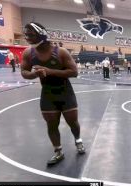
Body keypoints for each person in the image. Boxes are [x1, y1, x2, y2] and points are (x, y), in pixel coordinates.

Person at [20, 22, 85, 165]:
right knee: (51, 125)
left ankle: (78, 140)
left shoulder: (61, 52)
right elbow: (24, 72)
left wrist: (50, 72)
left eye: (31, 35)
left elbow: (74, 72)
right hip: (48, 94)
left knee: (72, 122)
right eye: (27, 35)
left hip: (65, 92)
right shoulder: (28, 53)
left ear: (41, 34)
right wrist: (34, 74)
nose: (28, 38)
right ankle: (58, 151)